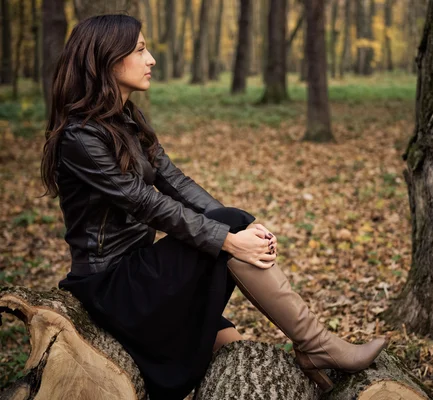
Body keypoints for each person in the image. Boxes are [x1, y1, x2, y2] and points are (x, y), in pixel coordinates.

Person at [40, 14, 389, 400]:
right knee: (227, 232)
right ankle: (318, 344)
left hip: (142, 273)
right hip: (111, 288)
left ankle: (314, 345)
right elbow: (146, 204)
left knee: (232, 230)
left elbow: (175, 181)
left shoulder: (126, 119)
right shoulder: (80, 137)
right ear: (106, 59)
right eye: (140, 50)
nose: (151, 58)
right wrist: (228, 239)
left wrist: (244, 227)